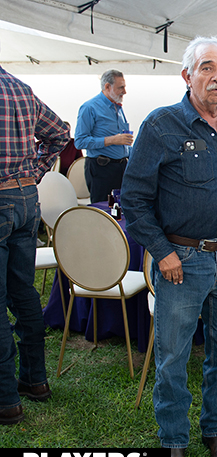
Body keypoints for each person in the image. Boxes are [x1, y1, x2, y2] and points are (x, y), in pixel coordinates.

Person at [122, 37, 217, 457]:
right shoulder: (161, 125)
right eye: (207, 68)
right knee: (174, 355)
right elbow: (134, 201)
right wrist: (164, 252)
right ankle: (173, 440)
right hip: (182, 262)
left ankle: (215, 430)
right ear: (187, 75)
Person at [0, 65, 69, 425]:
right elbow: (61, 133)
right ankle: (35, 380)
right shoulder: (20, 88)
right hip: (27, 199)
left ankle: (6, 398)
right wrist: (34, 172)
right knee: (23, 292)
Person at [75, 69, 133, 203]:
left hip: (121, 167)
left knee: (120, 209)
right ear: (107, 87)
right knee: (103, 210)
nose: (125, 91)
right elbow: (80, 141)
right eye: (121, 87)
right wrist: (112, 140)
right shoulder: (89, 107)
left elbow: (122, 142)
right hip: (101, 169)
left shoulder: (117, 108)